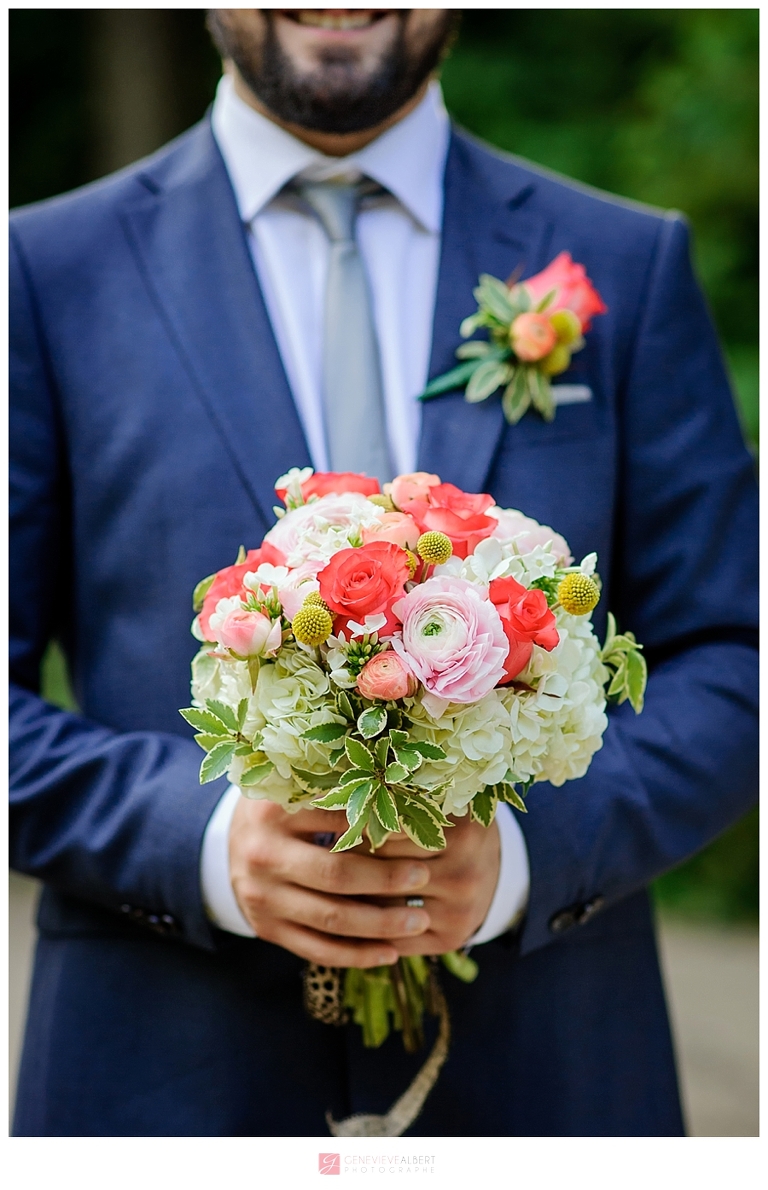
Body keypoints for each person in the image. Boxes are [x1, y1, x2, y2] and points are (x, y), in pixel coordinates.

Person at [10, 10, 757, 1137]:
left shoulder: (621, 261)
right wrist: (201, 844)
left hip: (552, 1088)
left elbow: (736, 657)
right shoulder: (38, 271)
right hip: (164, 1087)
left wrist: (523, 857)